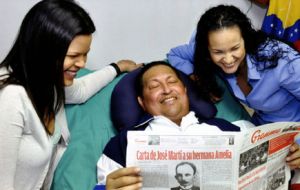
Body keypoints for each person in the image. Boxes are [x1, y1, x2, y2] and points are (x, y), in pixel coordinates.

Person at [0, 0, 140, 189]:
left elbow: (81, 90)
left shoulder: (47, 81)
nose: (82, 63)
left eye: (85, 54)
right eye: (73, 56)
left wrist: (117, 67)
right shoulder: (10, 97)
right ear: (43, 51)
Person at [96, 61, 243, 190]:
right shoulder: (123, 144)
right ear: (142, 102)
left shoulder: (226, 129)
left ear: (185, 90)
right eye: (154, 86)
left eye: (172, 81)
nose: (166, 90)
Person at [167, 5, 300, 125]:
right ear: (207, 49)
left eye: (235, 48)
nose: (228, 59)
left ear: (245, 39)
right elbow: (174, 54)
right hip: (262, 128)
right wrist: (194, 75)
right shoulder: (205, 51)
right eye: (218, 52)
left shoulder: (283, 60)